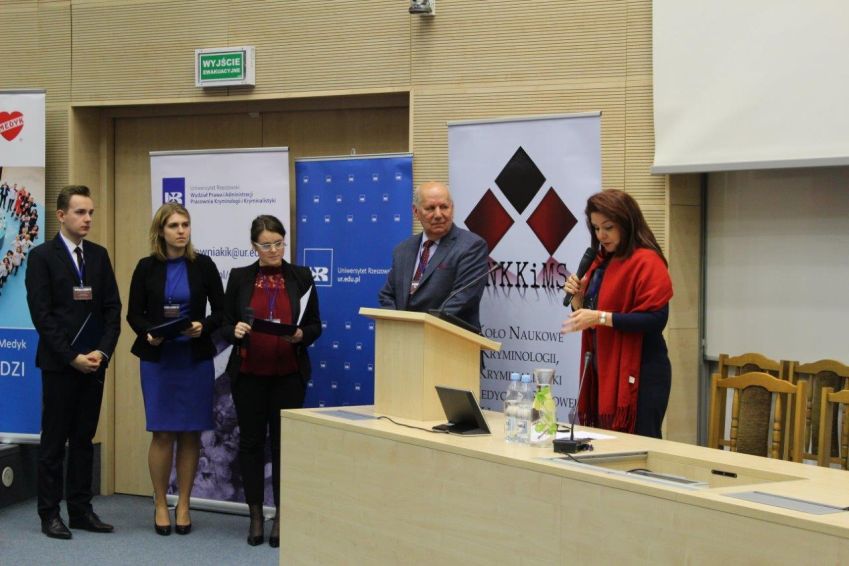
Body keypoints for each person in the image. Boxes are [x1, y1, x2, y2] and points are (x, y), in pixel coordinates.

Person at [25, 185, 122, 540]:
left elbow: (113, 309)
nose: (87, 219)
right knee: (54, 442)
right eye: (81, 212)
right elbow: (42, 315)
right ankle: (49, 513)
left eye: (91, 212)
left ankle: (81, 510)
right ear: (61, 215)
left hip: (93, 364)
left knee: (83, 439)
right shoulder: (42, 257)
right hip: (60, 364)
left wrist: (102, 353)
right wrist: (71, 357)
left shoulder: (98, 255)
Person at [221, 215, 321, 547]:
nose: (274, 250)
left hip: (288, 376)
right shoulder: (240, 277)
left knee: (283, 446)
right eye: (267, 245)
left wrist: (301, 335)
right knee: (250, 444)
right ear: (254, 246)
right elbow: (224, 322)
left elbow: (315, 325)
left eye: (279, 243)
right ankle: (254, 514)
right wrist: (234, 330)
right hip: (249, 375)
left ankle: (281, 515)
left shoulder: (301, 277)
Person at [126, 203, 224, 536]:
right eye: (173, 226)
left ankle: (183, 504)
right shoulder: (146, 267)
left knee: (191, 432)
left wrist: (202, 326)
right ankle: (159, 503)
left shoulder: (204, 265)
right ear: (161, 231)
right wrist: (149, 333)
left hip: (194, 359)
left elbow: (221, 312)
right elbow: (134, 314)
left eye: (185, 224)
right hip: (159, 360)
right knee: (163, 432)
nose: (181, 231)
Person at [560, 189, 673, 438]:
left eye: (608, 227)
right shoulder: (600, 263)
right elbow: (591, 316)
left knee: (639, 446)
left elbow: (656, 319)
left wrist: (600, 317)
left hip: (642, 371)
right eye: (596, 228)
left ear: (626, 222)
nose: (601, 235)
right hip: (604, 368)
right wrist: (578, 301)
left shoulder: (647, 261)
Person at [378, 181, 489, 329]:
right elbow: (387, 295)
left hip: (448, 337)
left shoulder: (471, 246)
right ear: (416, 212)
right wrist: (398, 326)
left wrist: (419, 328)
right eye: (430, 208)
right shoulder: (403, 250)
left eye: (444, 207)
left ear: (452, 209)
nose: (438, 214)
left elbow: (462, 300)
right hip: (404, 337)